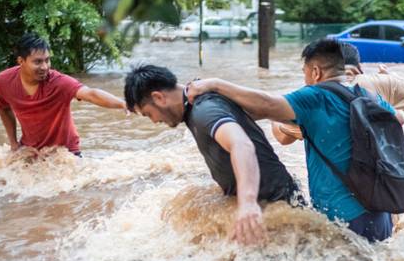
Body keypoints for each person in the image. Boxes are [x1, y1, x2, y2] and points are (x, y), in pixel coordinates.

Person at [186, 39, 401, 242]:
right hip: (381, 213)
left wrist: (215, 84)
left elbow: (267, 105)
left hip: (343, 218)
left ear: (316, 72)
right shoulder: (368, 95)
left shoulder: (315, 96)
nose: (305, 79)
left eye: (305, 72)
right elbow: (398, 119)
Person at [123, 65, 300, 245]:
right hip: (267, 205)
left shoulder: (204, 110)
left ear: (158, 97)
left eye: (147, 114)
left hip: (276, 207)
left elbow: (241, 144)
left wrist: (247, 203)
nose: (154, 121)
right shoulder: (197, 103)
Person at [270, 42, 404, 145]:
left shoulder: (312, 96)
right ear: (359, 65)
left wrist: (276, 119)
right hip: (387, 185)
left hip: (335, 191)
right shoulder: (381, 82)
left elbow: (282, 139)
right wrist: (392, 82)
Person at [0, 33, 126, 156]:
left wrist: (123, 103)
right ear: (21, 61)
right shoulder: (4, 81)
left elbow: (91, 94)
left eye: (47, 60)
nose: (45, 67)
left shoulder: (59, 83)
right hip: (30, 151)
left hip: (65, 152)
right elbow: (4, 108)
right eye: (38, 62)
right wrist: (13, 143)